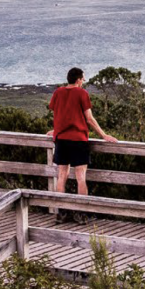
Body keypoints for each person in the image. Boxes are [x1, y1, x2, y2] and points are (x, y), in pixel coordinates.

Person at [46, 67, 117, 224]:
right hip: (78, 140)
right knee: (80, 177)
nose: (83, 82)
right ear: (78, 79)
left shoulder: (58, 92)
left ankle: (61, 212)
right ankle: (81, 213)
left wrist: (57, 130)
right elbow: (90, 119)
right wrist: (103, 135)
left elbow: (58, 113)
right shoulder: (82, 94)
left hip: (61, 140)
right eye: (83, 79)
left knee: (61, 176)